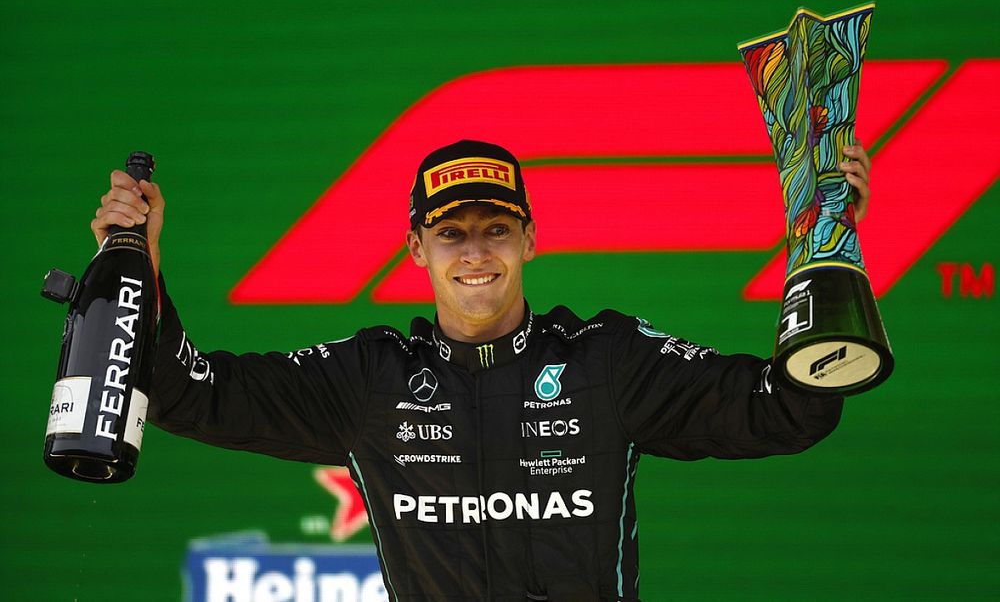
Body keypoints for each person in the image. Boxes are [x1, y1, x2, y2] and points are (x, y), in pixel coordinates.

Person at [92, 139, 872, 601]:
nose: (475, 252)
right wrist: (142, 267)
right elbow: (192, 393)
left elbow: (783, 407)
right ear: (415, 249)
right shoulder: (372, 379)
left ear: (530, 240)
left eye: (496, 229)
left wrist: (825, 247)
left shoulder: (605, 360)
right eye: (451, 233)